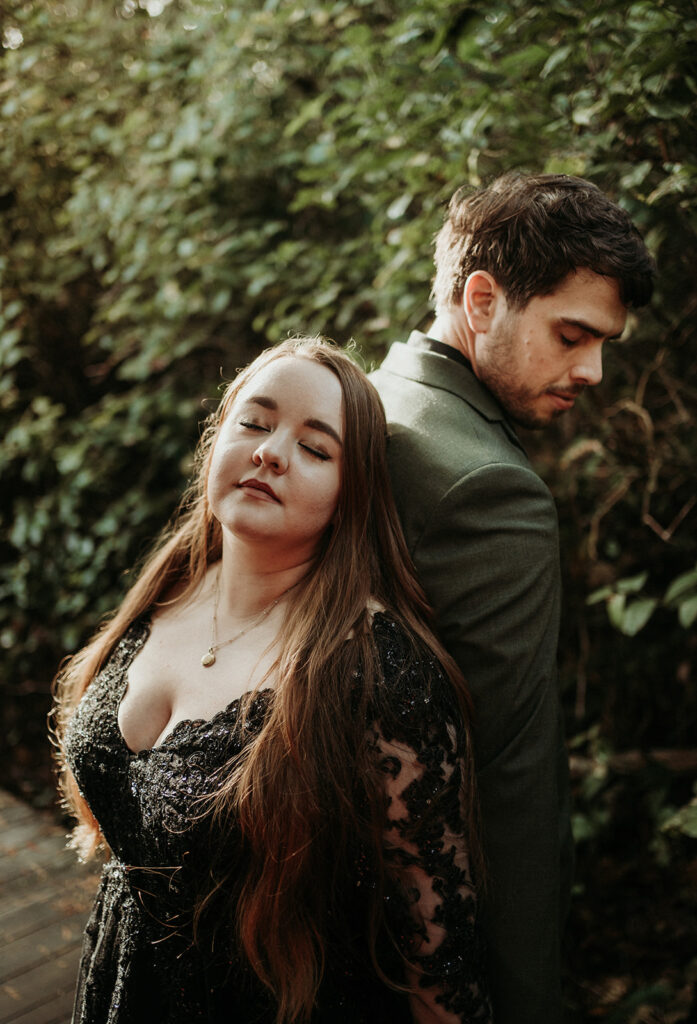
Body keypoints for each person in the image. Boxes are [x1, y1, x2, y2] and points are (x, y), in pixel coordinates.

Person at [52, 337, 493, 1024]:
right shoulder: (169, 587)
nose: (270, 452)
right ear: (217, 438)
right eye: (253, 423)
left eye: (315, 448)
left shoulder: (379, 675)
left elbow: (440, 965)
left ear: (353, 495)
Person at [370, 172, 656, 1023]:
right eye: (572, 334)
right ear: (482, 299)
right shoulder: (491, 486)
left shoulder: (367, 406)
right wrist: (524, 993)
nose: (594, 370)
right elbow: (501, 782)